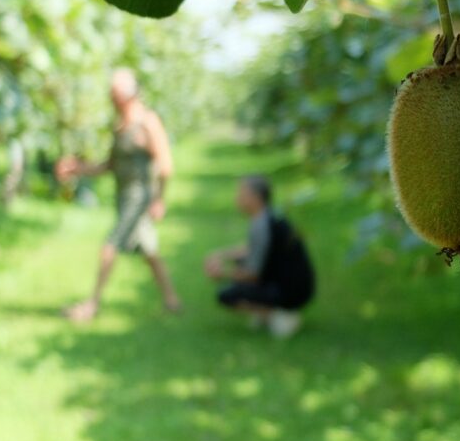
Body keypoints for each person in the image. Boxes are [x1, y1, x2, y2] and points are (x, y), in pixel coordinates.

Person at [55, 69, 181, 321]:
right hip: (124, 196)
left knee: (110, 245)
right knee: (149, 251)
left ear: (128, 95)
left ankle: (92, 305)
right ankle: (171, 300)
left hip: (139, 197)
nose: (112, 99)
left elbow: (165, 165)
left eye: (115, 95)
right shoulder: (120, 126)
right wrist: (78, 168)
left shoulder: (147, 122)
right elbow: (110, 165)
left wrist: (159, 199)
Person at [203, 175, 315, 339]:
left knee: (227, 294)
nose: (237, 198)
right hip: (297, 285)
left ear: (255, 198)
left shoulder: (261, 225)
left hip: (290, 291)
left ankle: (277, 314)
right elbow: (251, 250)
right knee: (240, 267)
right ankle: (272, 311)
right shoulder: (270, 217)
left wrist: (222, 274)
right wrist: (221, 255)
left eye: (241, 194)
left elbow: (252, 274)